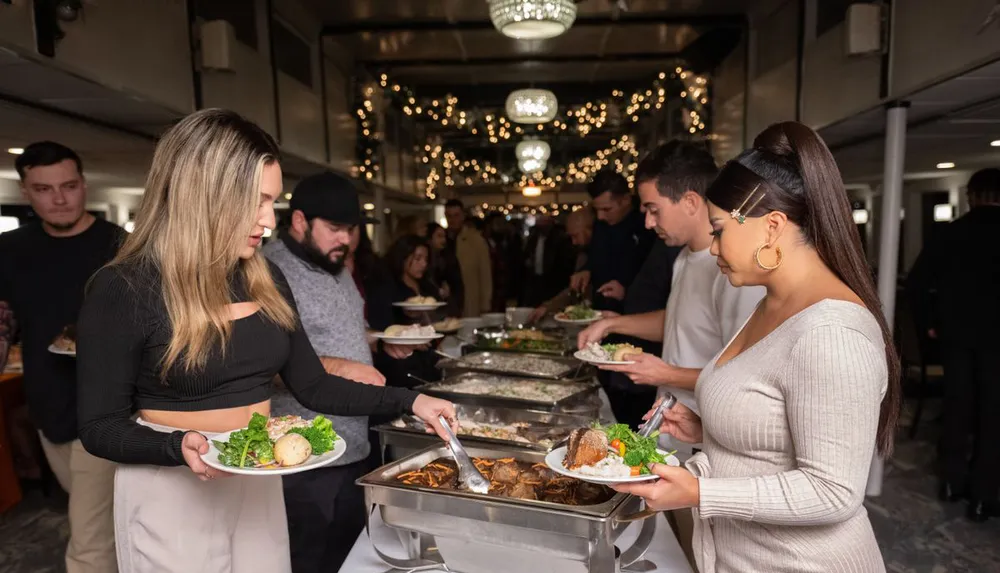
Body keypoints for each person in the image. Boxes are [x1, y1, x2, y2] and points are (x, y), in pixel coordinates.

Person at [75, 109, 457, 573]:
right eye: (255, 202)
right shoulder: (123, 287)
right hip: (170, 483)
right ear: (204, 196)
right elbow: (99, 425)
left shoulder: (264, 276)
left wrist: (411, 402)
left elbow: (312, 386)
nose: (267, 222)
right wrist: (176, 446)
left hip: (256, 475)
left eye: (271, 202)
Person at [610, 122, 900, 573]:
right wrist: (709, 429)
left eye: (720, 229)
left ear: (772, 227)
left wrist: (700, 492)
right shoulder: (771, 303)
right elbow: (777, 435)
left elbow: (833, 492)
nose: (714, 246)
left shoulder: (833, 331)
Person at [577, 141, 764, 564]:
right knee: (674, 547)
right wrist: (614, 323)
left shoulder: (732, 269)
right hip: (673, 426)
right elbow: (679, 320)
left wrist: (666, 374)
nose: (646, 222)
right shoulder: (684, 256)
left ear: (692, 201)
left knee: (700, 555)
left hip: (710, 439)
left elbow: (748, 377)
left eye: (653, 209)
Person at [262, 171, 414, 572]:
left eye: (351, 230)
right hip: (303, 461)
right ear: (298, 221)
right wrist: (337, 366)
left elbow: (340, 332)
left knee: (351, 560)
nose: (345, 240)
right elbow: (258, 364)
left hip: (353, 448)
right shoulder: (267, 274)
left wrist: (378, 341)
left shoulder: (336, 266)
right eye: (334, 229)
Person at [0, 141, 124, 573]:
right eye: (43, 189)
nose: (58, 198)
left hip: (107, 411)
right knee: (102, 523)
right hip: (48, 411)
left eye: (68, 186)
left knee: (88, 543)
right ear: (26, 191)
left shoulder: (119, 246)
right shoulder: (11, 249)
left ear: (83, 184)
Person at [907, 167, 1000, 522]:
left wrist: (930, 324)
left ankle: (951, 482)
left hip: (956, 336)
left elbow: (916, 284)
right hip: (998, 341)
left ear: (970, 196)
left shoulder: (950, 234)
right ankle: (983, 495)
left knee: (957, 407)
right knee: (994, 416)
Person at [570, 170, 656, 314]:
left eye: (606, 209)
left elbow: (656, 276)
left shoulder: (648, 225)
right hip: (601, 312)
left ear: (626, 200)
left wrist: (627, 292)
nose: (600, 216)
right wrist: (586, 270)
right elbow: (595, 256)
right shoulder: (601, 224)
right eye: (597, 210)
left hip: (637, 315)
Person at [528, 207, 595, 321]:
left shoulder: (597, 253)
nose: (573, 242)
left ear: (590, 229)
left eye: (575, 235)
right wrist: (548, 306)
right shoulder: (583, 254)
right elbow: (573, 289)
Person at [445, 199, 492, 317]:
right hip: (448, 299)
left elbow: (485, 274)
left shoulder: (476, 241)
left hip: (469, 299)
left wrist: (485, 305)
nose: (452, 220)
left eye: (456, 215)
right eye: (449, 216)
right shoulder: (442, 239)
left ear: (463, 216)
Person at [520, 215, 575, 308]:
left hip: (552, 280)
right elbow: (526, 253)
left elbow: (565, 260)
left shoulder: (559, 239)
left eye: (544, 225)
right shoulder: (533, 238)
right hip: (535, 279)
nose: (542, 228)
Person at [426, 222, 464, 317]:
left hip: (449, 307)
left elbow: (458, 284)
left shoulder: (449, 258)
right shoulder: (425, 260)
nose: (443, 240)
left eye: (444, 236)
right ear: (429, 239)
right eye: (439, 236)